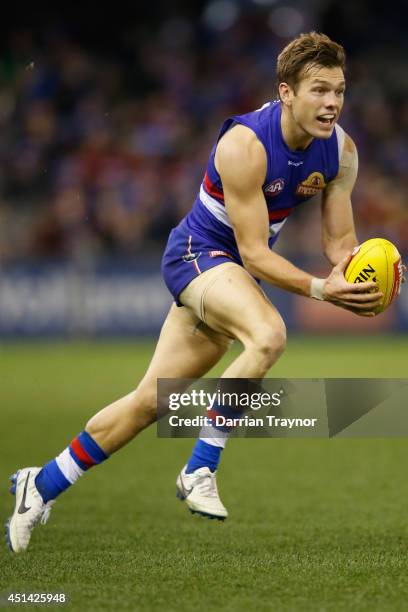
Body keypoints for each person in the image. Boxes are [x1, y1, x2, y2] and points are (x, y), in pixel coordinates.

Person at [6, 31, 383, 553]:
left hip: (230, 273)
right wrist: (321, 290)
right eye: (319, 90)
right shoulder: (244, 145)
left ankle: (41, 483)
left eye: (339, 90)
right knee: (269, 335)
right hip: (197, 254)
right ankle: (200, 467)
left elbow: (341, 242)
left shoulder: (341, 152)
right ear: (287, 92)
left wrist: (366, 274)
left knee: (148, 404)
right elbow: (253, 253)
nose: (332, 102)